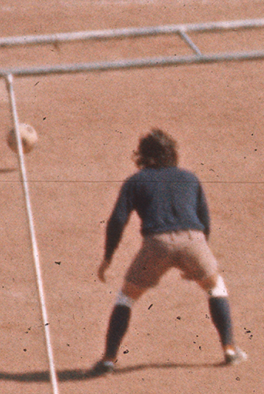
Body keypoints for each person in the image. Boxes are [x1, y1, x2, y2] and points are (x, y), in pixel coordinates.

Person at [89, 129, 240, 372]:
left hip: (156, 244)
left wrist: (108, 257)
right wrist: (197, 261)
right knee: (215, 287)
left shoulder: (135, 181)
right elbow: (205, 220)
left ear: (142, 156)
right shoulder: (190, 178)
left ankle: (108, 359)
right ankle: (230, 349)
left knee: (126, 297)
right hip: (194, 240)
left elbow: (117, 220)